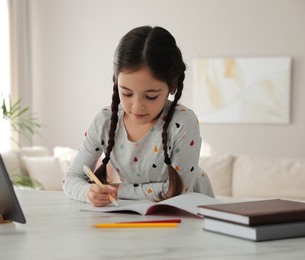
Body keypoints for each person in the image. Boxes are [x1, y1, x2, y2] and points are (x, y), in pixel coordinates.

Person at [63, 25, 214, 206]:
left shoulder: (183, 122)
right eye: (126, 93)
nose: (137, 107)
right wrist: (88, 192)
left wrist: (119, 190)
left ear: (172, 85)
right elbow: (71, 178)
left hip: (189, 211)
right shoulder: (104, 121)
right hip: (139, 212)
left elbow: (179, 189)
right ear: (116, 81)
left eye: (151, 96)